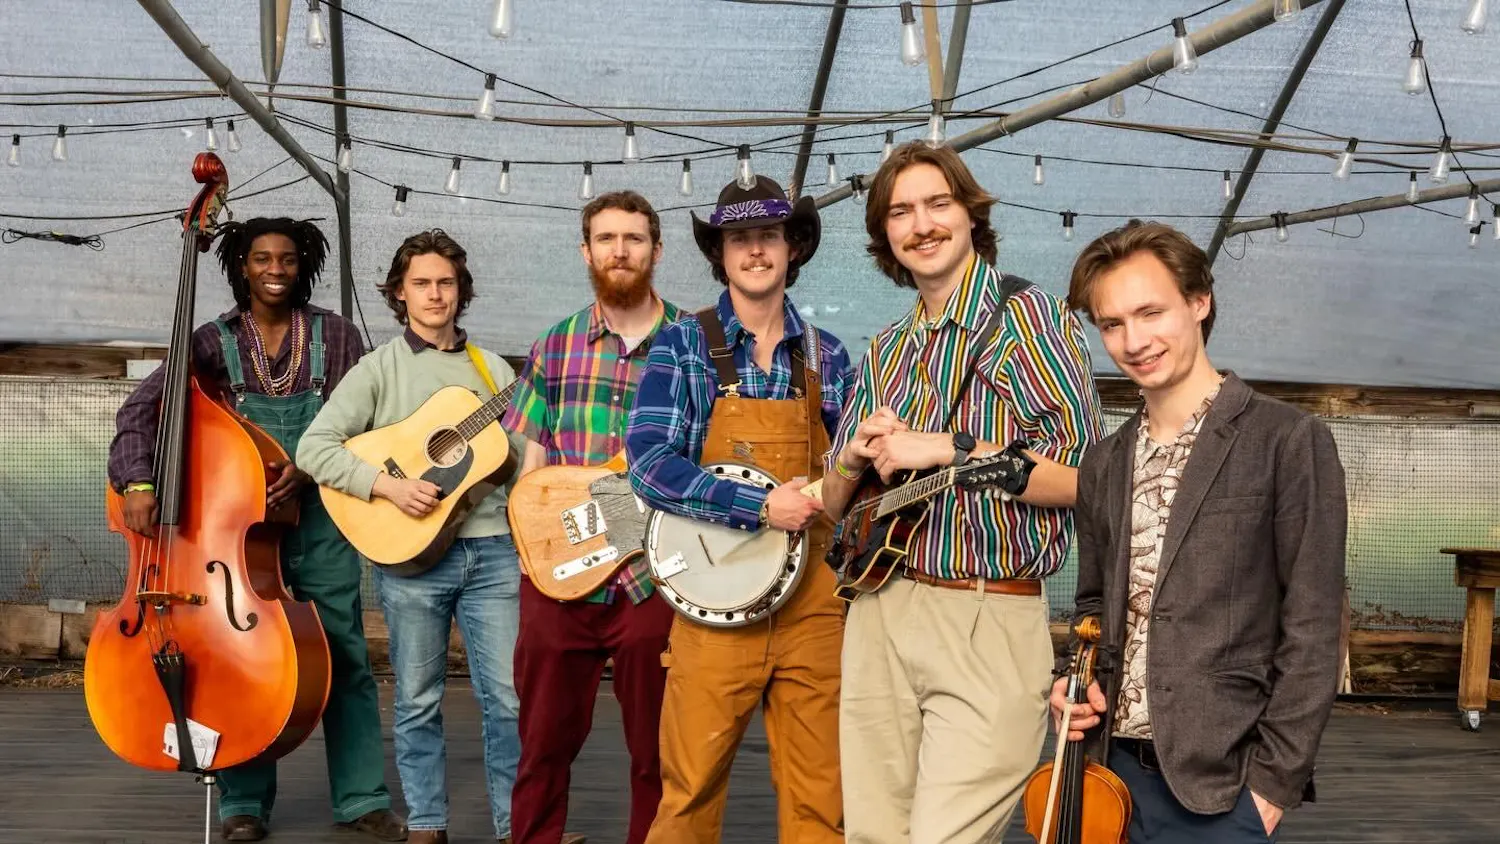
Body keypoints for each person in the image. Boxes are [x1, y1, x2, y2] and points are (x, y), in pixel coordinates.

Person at [817, 141, 1106, 843]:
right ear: (885, 235)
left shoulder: (1031, 320)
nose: (921, 224)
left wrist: (951, 446)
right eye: (900, 212)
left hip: (988, 614)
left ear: (971, 213)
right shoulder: (886, 350)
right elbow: (830, 505)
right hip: (879, 612)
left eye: (937, 204)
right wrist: (853, 458)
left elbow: (1091, 481)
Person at [107, 217, 405, 843]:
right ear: (240, 264)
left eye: (288, 259)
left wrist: (316, 466)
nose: (275, 269)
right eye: (262, 258)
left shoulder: (338, 336)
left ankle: (361, 800)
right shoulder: (212, 341)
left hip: (322, 520)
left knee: (342, 656)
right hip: (234, 536)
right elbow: (142, 408)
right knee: (239, 660)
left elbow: (377, 424)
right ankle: (244, 804)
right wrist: (139, 482)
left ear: (304, 266)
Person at [1052, 219, 1347, 843]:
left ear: (1198, 301)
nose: (1134, 340)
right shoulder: (1103, 462)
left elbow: (1316, 626)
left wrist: (1270, 789)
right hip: (1108, 776)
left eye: (1150, 312)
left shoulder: (1287, 440)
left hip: (1222, 788)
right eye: (1111, 323)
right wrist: (1073, 685)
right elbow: (1092, 607)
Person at [624, 175, 854, 844]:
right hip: (714, 609)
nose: (756, 251)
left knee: (823, 803)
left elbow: (850, 475)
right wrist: (757, 506)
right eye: (740, 239)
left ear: (793, 247)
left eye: (769, 236)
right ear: (720, 255)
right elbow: (648, 462)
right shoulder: (682, 344)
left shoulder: (829, 356)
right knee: (688, 796)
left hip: (816, 612)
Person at [297, 230, 526, 844]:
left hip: (493, 550)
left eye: (446, 282)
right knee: (418, 699)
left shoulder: (495, 371)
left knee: (507, 699)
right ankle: (427, 821)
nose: (435, 294)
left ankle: (516, 828)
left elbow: (522, 456)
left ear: (461, 291)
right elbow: (313, 448)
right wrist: (385, 487)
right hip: (410, 559)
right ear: (400, 293)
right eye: (421, 283)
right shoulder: (378, 369)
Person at [501, 191, 683, 844]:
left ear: (656, 251)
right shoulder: (553, 347)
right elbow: (534, 469)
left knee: (659, 755)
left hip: (654, 576)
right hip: (559, 575)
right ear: (586, 252)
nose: (620, 251)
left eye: (633, 239)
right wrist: (539, 550)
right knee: (542, 749)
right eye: (606, 239)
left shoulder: (696, 348)